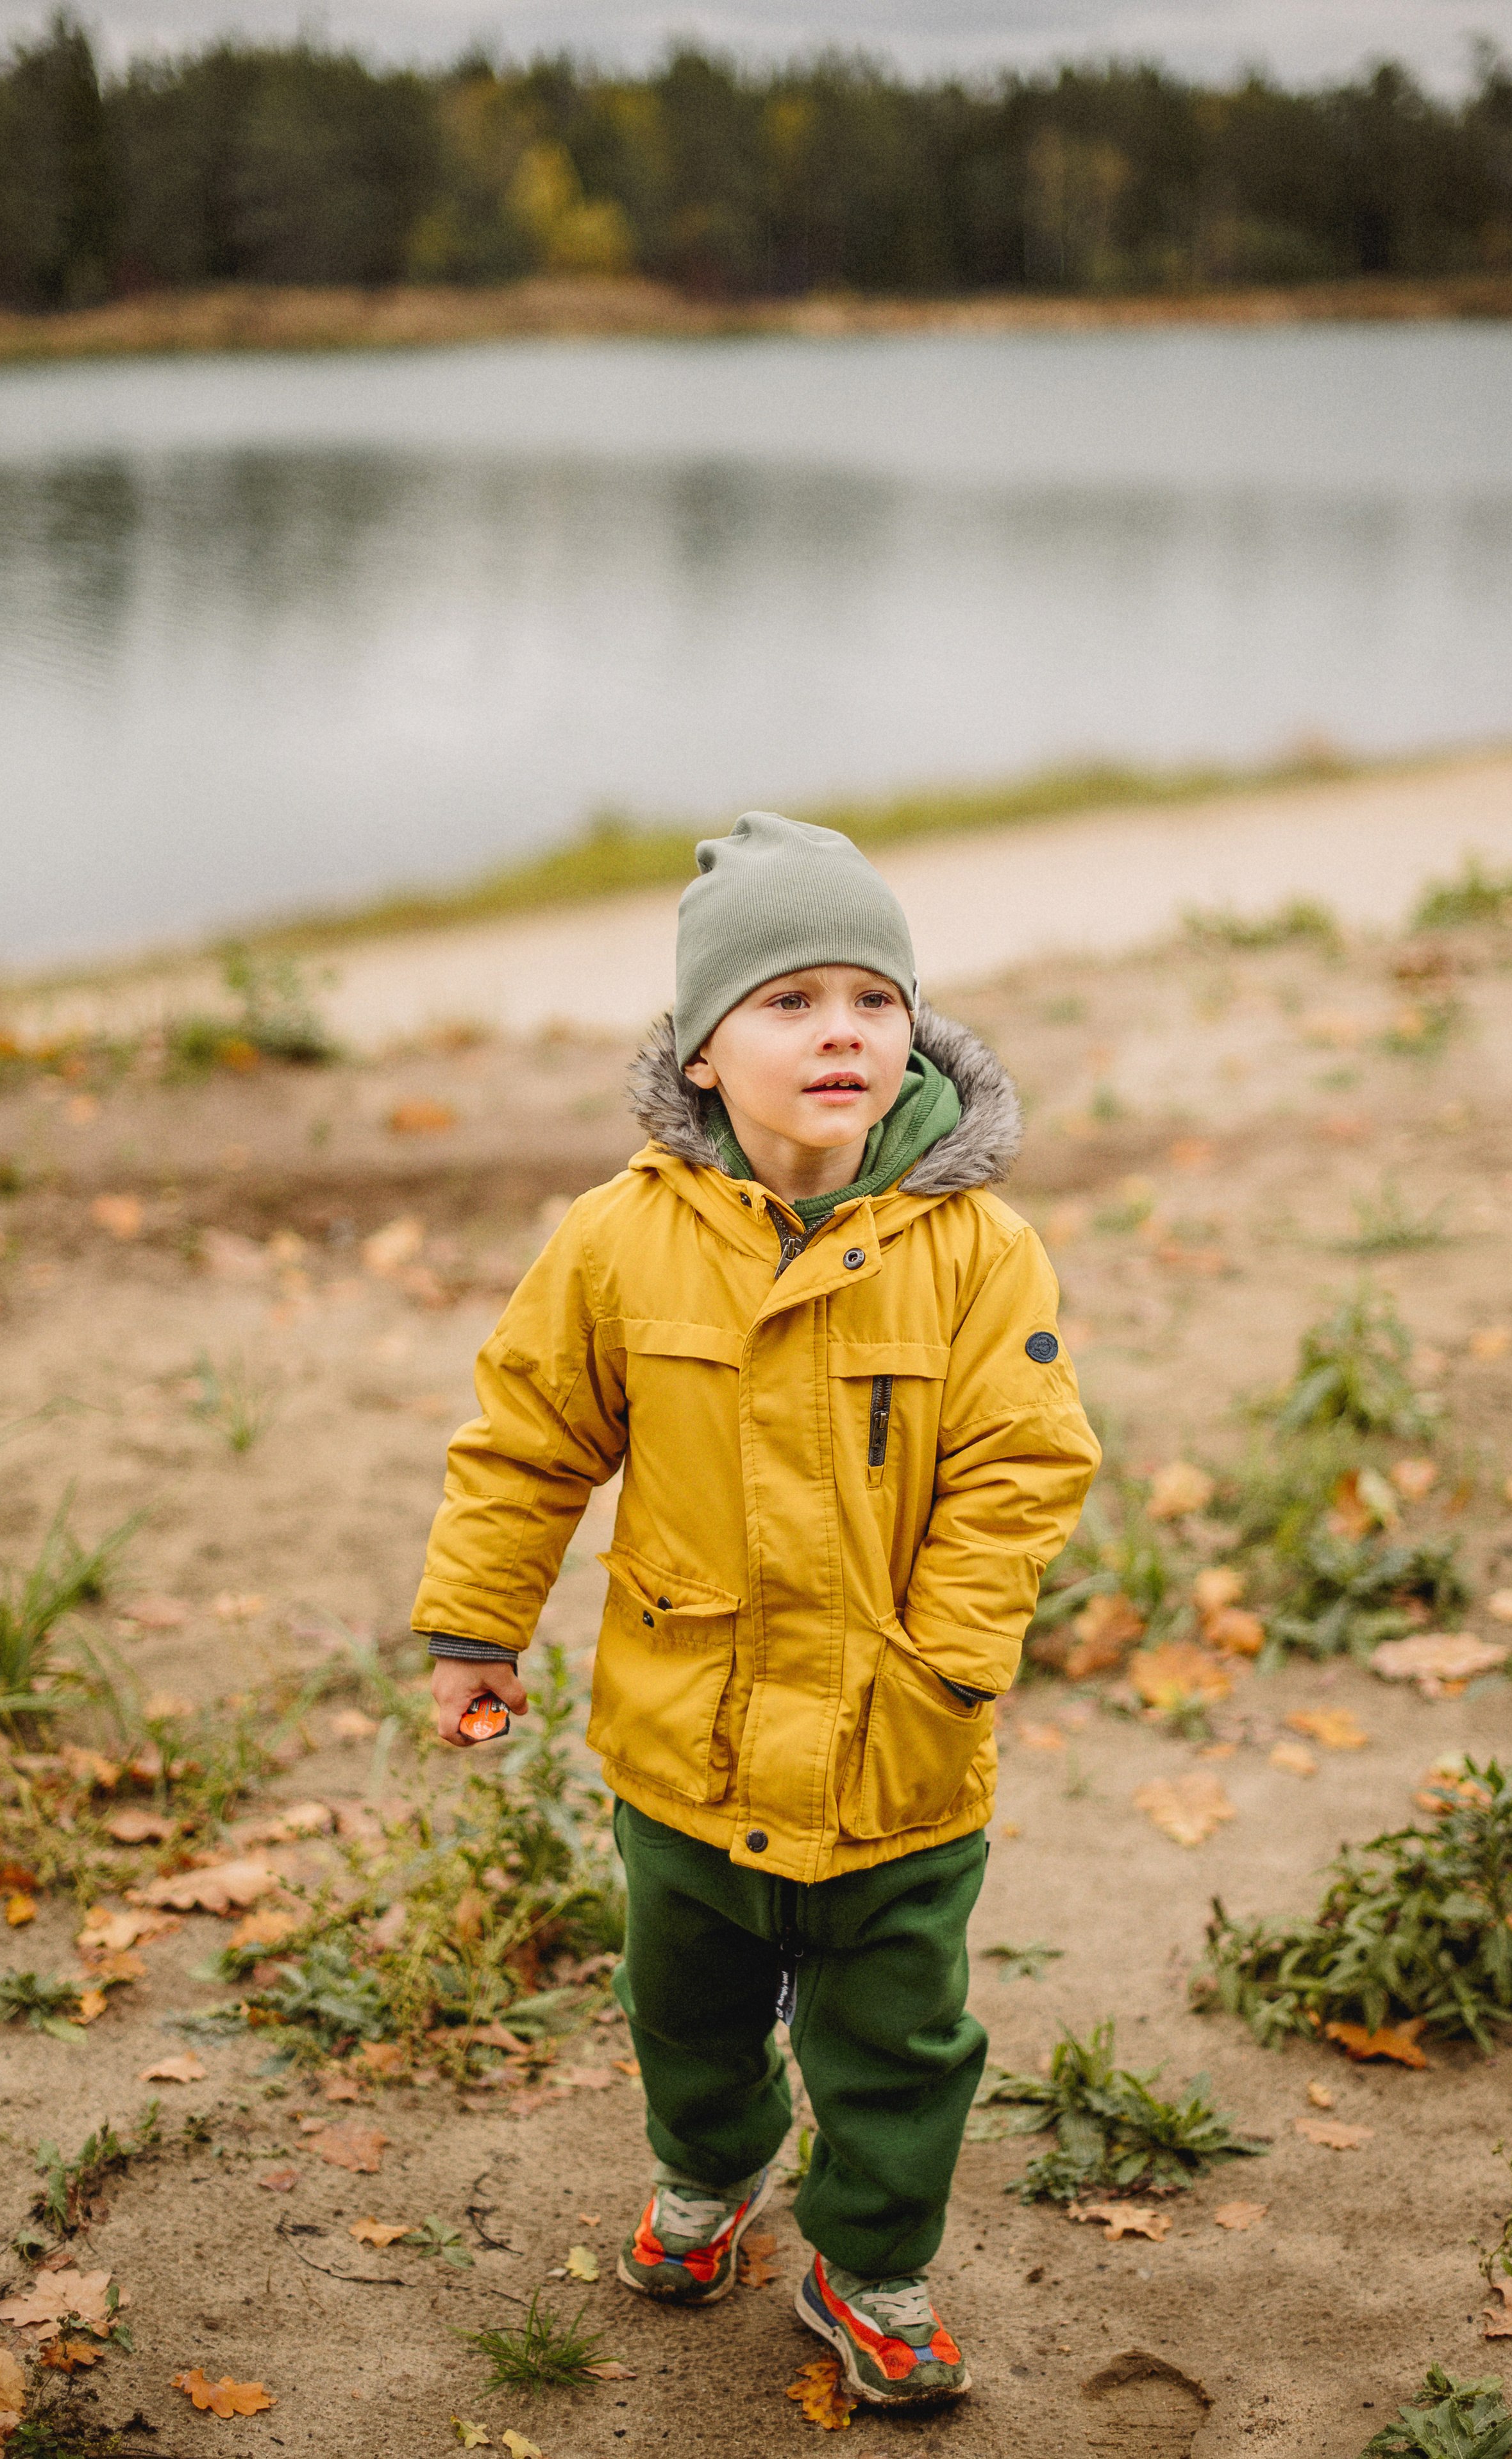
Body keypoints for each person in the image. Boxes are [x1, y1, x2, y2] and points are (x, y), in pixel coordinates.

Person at [417, 811, 1099, 2406]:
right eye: (787, 1001)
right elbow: (528, 1441)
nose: (838, 1030)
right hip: (687, 1738)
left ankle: (867, 2265)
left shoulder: (976, 1251)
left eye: (871, 998)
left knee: (898, 2037)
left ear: (910, 1030)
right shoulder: (619, 1239)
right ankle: (708, 2174)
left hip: (898, 1746)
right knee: (688, 2004)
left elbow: (1022, 1464)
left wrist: (949, 1661)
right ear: (702, 1054)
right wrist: (476, 1630)